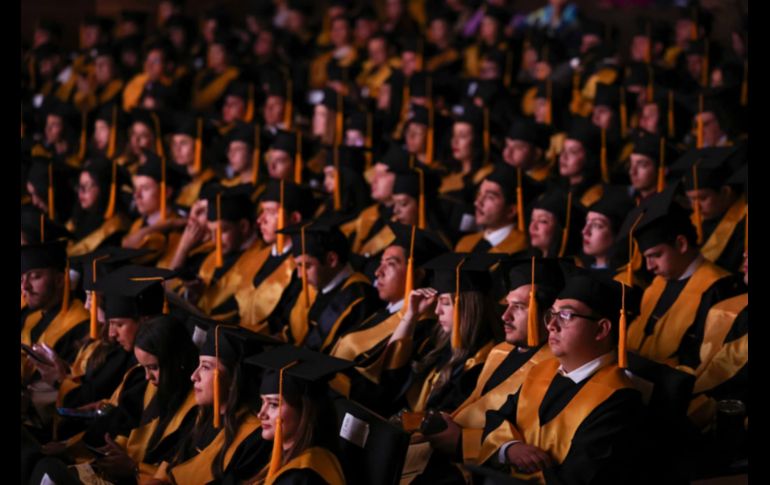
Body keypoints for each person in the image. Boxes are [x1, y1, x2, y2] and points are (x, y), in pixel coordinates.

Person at [478, 267, 645, 484]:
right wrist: (511, 448)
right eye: (552, 314)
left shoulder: (618, 400)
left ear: (601, 330)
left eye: (566, 315)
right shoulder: (541, 371)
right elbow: (498, 417)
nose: (551, 325)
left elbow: (580, 476)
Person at [422, 257, 564, 469]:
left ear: (548, 315)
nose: (505, 316)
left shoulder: (555, 369)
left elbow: (529, 438)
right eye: (507, 305)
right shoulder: (500, 351)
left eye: (518, 307)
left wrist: (464, 441)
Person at [29, 315, 200, 484]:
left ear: (176, 360)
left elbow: (177, 473)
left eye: (153, 368)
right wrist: (114, 450)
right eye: (145, 368)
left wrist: (134, 467)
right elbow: (126, 425)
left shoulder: (196, 409)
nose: (148, 377)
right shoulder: (152, 386)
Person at [330, 223, 449, 416]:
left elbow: (390, 388)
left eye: (390, 264)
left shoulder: (424, 328)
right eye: (380, 262)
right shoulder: (381, 312)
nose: (378, 272)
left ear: (417, 275)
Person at [621, 183, 743, 368]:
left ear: (681, 244)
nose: (650, 266)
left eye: (656, 255)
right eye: (646, 257)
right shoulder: (657, 285)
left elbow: (709, 361)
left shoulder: (719, 288)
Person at [151, 324, 273, 483]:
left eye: (206, 367)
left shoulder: (255, 438)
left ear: (233, 378)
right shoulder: (200, 416)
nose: (194, 376)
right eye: (198, 365)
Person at [388, 252, 497, 414]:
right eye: (437, 301)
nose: (437, 311)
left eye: (445, 303)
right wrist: (411, 316)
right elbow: (391, 375)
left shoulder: (481, 363)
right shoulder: (434, 340)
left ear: (467, 308)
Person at [245, 345, 350, 484]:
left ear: (305, 411)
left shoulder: (303, 476)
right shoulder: (288, 457)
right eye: (262, 402)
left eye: (273, 404)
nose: (260, 414)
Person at [278, 219, 380, 352]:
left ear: (331, 260)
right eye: (298, 266)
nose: (300, 275)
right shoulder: (314, 286)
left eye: (307, 266)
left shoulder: (360, 298)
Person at [455, 164, 538, 254]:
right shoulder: (465, 243)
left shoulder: (521, 248)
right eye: (479, 194)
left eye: (489, 197)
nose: (478, 202)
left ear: (511, 211)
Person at [66, 158, 131, 257]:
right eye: (79, 186)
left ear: (103, 188)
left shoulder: (116, 228)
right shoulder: (78, 218)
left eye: (86, 186)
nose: (80, 192)